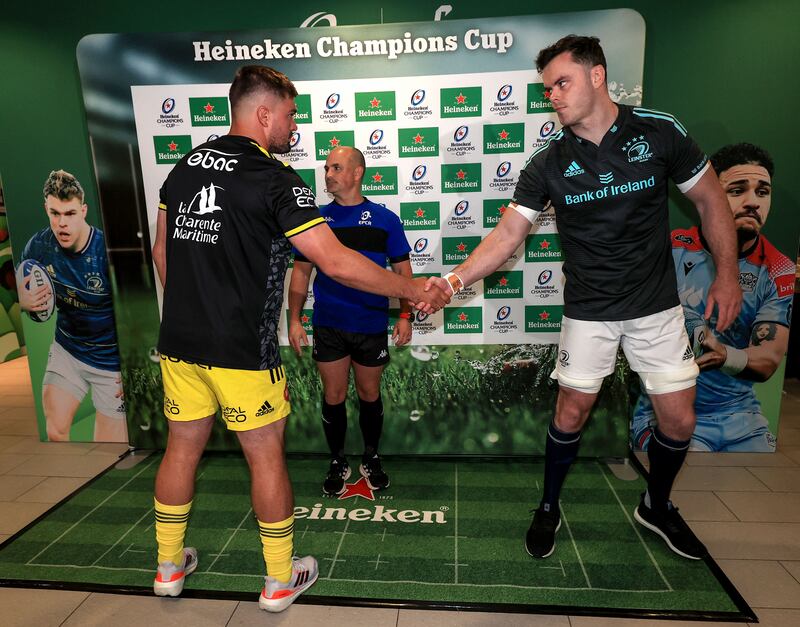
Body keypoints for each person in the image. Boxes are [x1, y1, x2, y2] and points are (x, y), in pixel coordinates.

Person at [423, 35, 741, 560]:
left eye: (561, 83)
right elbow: (506, 237)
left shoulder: (660, 131)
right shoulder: (547, 162)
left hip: (656, 306)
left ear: (597, 76)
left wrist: (726, 274)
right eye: (547, 88)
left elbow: (709, 201)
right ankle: (549, 505)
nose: (553, 95)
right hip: (590, 310)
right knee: (571, 411)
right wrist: (451, 283)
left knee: (680, 420)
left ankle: (656, 505)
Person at [151, 65, 448, 612]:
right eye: (289, 115)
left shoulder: (183, 166)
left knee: (181, 449)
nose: (294, 127)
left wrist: (198, 311)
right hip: (242, 353)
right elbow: (335, 261)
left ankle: (168, 569)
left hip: (178, 345)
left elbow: (162, 254)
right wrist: (412, 288)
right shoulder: (276, 179)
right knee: (266, 458)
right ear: (264, 113)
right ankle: (279, 579)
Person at [633, 143, 793, 452]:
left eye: (762, 192)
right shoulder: (672, 249)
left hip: (742, 416)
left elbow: (769, 359)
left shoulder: (778, 268)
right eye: (737, 190)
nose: (752, 203)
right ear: (709, 196)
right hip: (666, 409)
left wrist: (726, 356)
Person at [288, 146, 413, 495]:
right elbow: (300, 275)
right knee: (334, 394)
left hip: (371, 323)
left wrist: (405, 315)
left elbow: (403, 271)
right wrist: (294, 320)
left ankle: (370, 457)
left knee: (369, 393)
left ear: (358, 173)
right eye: (327, 167)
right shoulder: (315, 221)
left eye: (337, 167)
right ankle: (338, 459)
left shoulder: (386, 219)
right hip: (329, 323)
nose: (328, 174)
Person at [18, 170, 126, 442]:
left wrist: (131, 368)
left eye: (69, 214)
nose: (61, 223)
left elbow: (134, 315)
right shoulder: (39, 246)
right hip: (68, 349)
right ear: (46, 209)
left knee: (109, 449)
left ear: (83, 210)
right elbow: (27, 291)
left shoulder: (106, 253)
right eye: (55, 214)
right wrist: (25, 302)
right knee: (55, 430)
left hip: (110, 361)